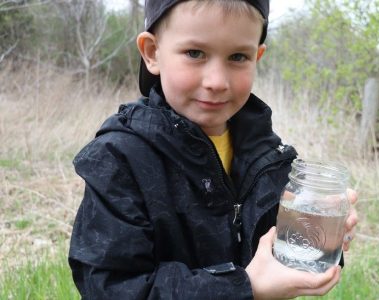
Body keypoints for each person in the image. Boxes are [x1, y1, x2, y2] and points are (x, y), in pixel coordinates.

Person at [68, 0, 359, 299]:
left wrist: (320, 234)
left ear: (257, 57)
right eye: (195, 53)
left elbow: (278, 255)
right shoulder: (120, 159)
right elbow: (113, 288)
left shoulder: (267, 157)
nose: (217, 81)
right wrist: (245, 287)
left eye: (237, 56)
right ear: (152, 53)